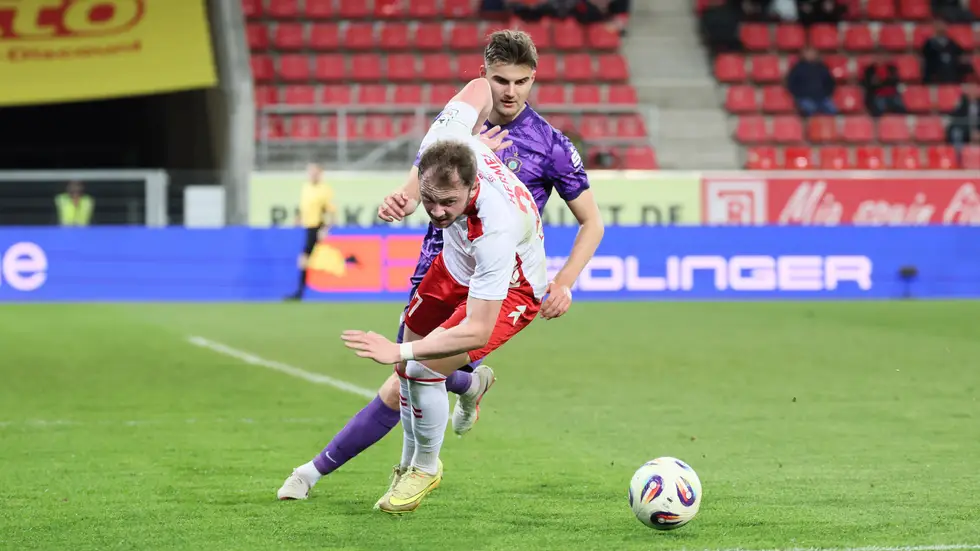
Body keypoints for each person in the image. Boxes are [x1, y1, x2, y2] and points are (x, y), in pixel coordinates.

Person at [276, 30, 604, 502]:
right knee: (409, 375)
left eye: (521, 82)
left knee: (409, 375)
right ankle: (466, 387)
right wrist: (406, 197)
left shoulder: (549, 145)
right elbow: (426, 171)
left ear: (534, 79)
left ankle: (327, 472)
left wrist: (565, 281)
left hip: (498, 273)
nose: (510, 92)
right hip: (442, 260)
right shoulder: (458, 123)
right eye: (501, 80)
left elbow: (592, 221)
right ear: (484, 75)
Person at [341, 77, 548, 514]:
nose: (436, 211)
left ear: (472, 187)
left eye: (448, 202)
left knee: (418, 366)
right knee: (407, 369)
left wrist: (400, 348)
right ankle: (411, 459)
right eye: (430, 199)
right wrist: (409, 193)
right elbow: (479, 86)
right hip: (454, 262)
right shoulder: (446, 137)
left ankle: (425, 468)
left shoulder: (495, 229)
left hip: (514, 287)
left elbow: (477, 331)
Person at [285, 163, 335, 301]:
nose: (312, 175)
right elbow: (304, 207)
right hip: (307, 227)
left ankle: (300, 291)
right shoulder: (306, 187)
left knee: (304, 259)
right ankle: (300, 291)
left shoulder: (324, 190)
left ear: (320, 174)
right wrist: (298, 218)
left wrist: (325, 229)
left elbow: (331, 212)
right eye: (310, 172)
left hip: (317, 227)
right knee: (303, 259)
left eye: (315, 172)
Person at [786, 46, 837, 116]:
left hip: (822, 97)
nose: (810, 55)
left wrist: (826, 94)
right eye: (808, 53)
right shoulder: (797, 68)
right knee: (810, 109)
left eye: (812, 53)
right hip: (805, 98)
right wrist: (799, 96)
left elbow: (830, 82)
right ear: (803, 55)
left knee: (833, 110)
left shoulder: (822, 67)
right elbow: (791, 83)